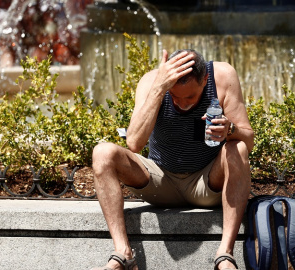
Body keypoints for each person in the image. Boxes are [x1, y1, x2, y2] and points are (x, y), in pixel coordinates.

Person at [91, 49, 254, 270]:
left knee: (239, 148)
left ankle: (224, 256)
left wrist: (231, 129)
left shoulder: (223, 76)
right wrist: (160, 88)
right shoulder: (152, 81)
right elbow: (134, 143)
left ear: (205, 79)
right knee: (102, 153)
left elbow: (249, 140)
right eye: (175, 96)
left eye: (189, 97)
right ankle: (123, 255)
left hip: (206, 184)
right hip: (160, 181)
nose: (182, 103)